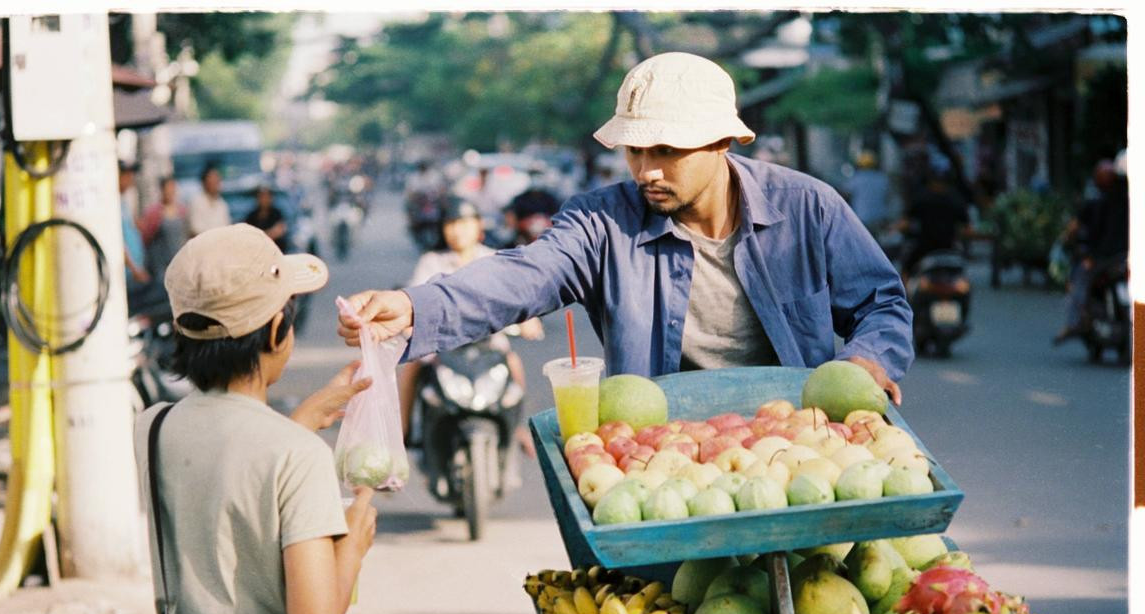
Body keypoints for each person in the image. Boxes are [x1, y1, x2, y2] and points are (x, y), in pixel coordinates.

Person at [340, 52, 912, 404]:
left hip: (795, 442)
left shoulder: (808, 208)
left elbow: (882, 303)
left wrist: (868, 360)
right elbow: (525, 275)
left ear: (722, 142)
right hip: (658, 456)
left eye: (667, 149)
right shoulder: (601, 221)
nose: (647, 170)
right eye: (635, 151)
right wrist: (417, 307)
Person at [135, 223, 377, 614]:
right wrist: (356, 542)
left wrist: (306, 418)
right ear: (276, 332)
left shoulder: (153, 429)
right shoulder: (296, 456)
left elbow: (226, 474)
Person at [400, 196, 543, 453]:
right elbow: (416, 299)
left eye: (464, 222)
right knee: (411, 369)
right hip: (441, 345)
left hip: (489, 342)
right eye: (451, 223)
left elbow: (519, 295)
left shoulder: (496, 259)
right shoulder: (432, 262)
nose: (457, 230)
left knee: (513, 364)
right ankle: (403, 432)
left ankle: (518, 425)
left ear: (479, 226)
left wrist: (528, 319)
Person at [1053, 158, 1129, 345]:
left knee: (1079, 279)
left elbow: (1076, 228)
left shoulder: (1098, 202)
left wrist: (1088, 255)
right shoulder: (1128, 200)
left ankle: (1073, 322)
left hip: (1103, 258)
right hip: (1122, 256)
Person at [897, 154, 970, 279]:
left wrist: (896, 228)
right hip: (950, 247)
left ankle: (903, 297)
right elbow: (967, 229)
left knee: (905, 269)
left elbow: (905, 224)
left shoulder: (921, 198)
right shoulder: (956, 199)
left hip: (925, 247)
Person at [139, 176, 188, 290]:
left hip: (178, 261)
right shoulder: (154, 212)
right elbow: (145, 238)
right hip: (160, 264)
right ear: (162, 190)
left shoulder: (182, 210)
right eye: (168, 188)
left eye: (173, 188)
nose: (170, 191)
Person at [119, 161, 150, 299]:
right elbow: (118, 241)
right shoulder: (111, 202)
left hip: (135, 271)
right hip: (127, 274)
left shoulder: (123, 201)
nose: (130, 179)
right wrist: (134, 269)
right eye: (127, 175)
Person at [843, 151, 890, 238]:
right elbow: (888, 197)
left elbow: (846, 194)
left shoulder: (857, 178)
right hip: (880, 217)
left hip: (862, 218)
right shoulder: (882, 178)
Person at [186, 164, 231, 238]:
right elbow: (195, 229)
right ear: (204, 182)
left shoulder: (222, 204)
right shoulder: (196, 202)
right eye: (212, 179)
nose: (216, 182)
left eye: (217, 179)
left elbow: (227, 226)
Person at [244, 183, 289, 252]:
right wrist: (270, 233)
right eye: (261, 196)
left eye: (267, 196)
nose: (264, 199)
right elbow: (248, 234)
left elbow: (279, 231)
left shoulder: (277, 213)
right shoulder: (252, 215)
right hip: (258, 251)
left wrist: (260, 236)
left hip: (276, 250)